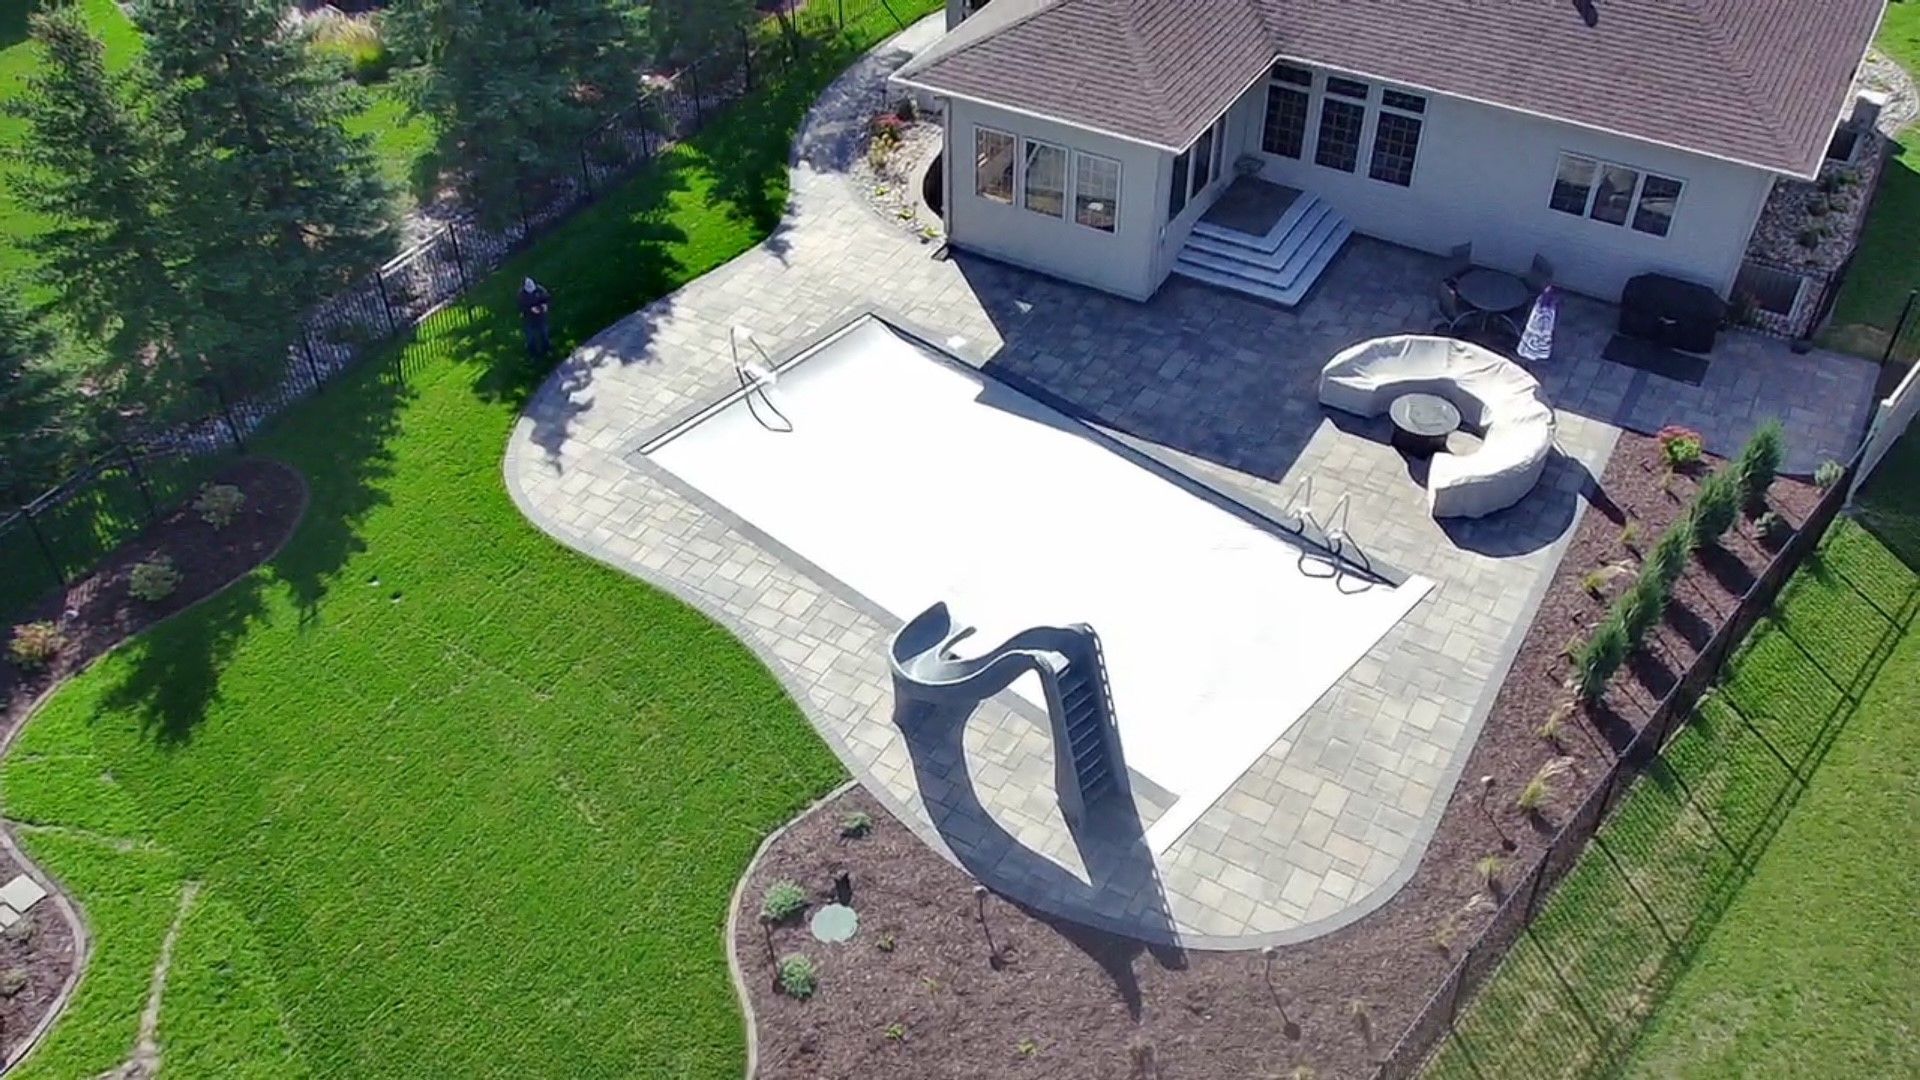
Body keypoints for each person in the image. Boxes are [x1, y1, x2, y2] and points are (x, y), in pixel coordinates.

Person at [518, 277, 553, 359]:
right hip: (529, 319)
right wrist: (530, 309)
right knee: (530, 337)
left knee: (544, 333)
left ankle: (547, 349)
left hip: (541, 317)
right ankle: (533, 354)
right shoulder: (521, 295)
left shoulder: (540, 289)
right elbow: (521, 307)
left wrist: (545, 305)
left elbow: (547, 298)